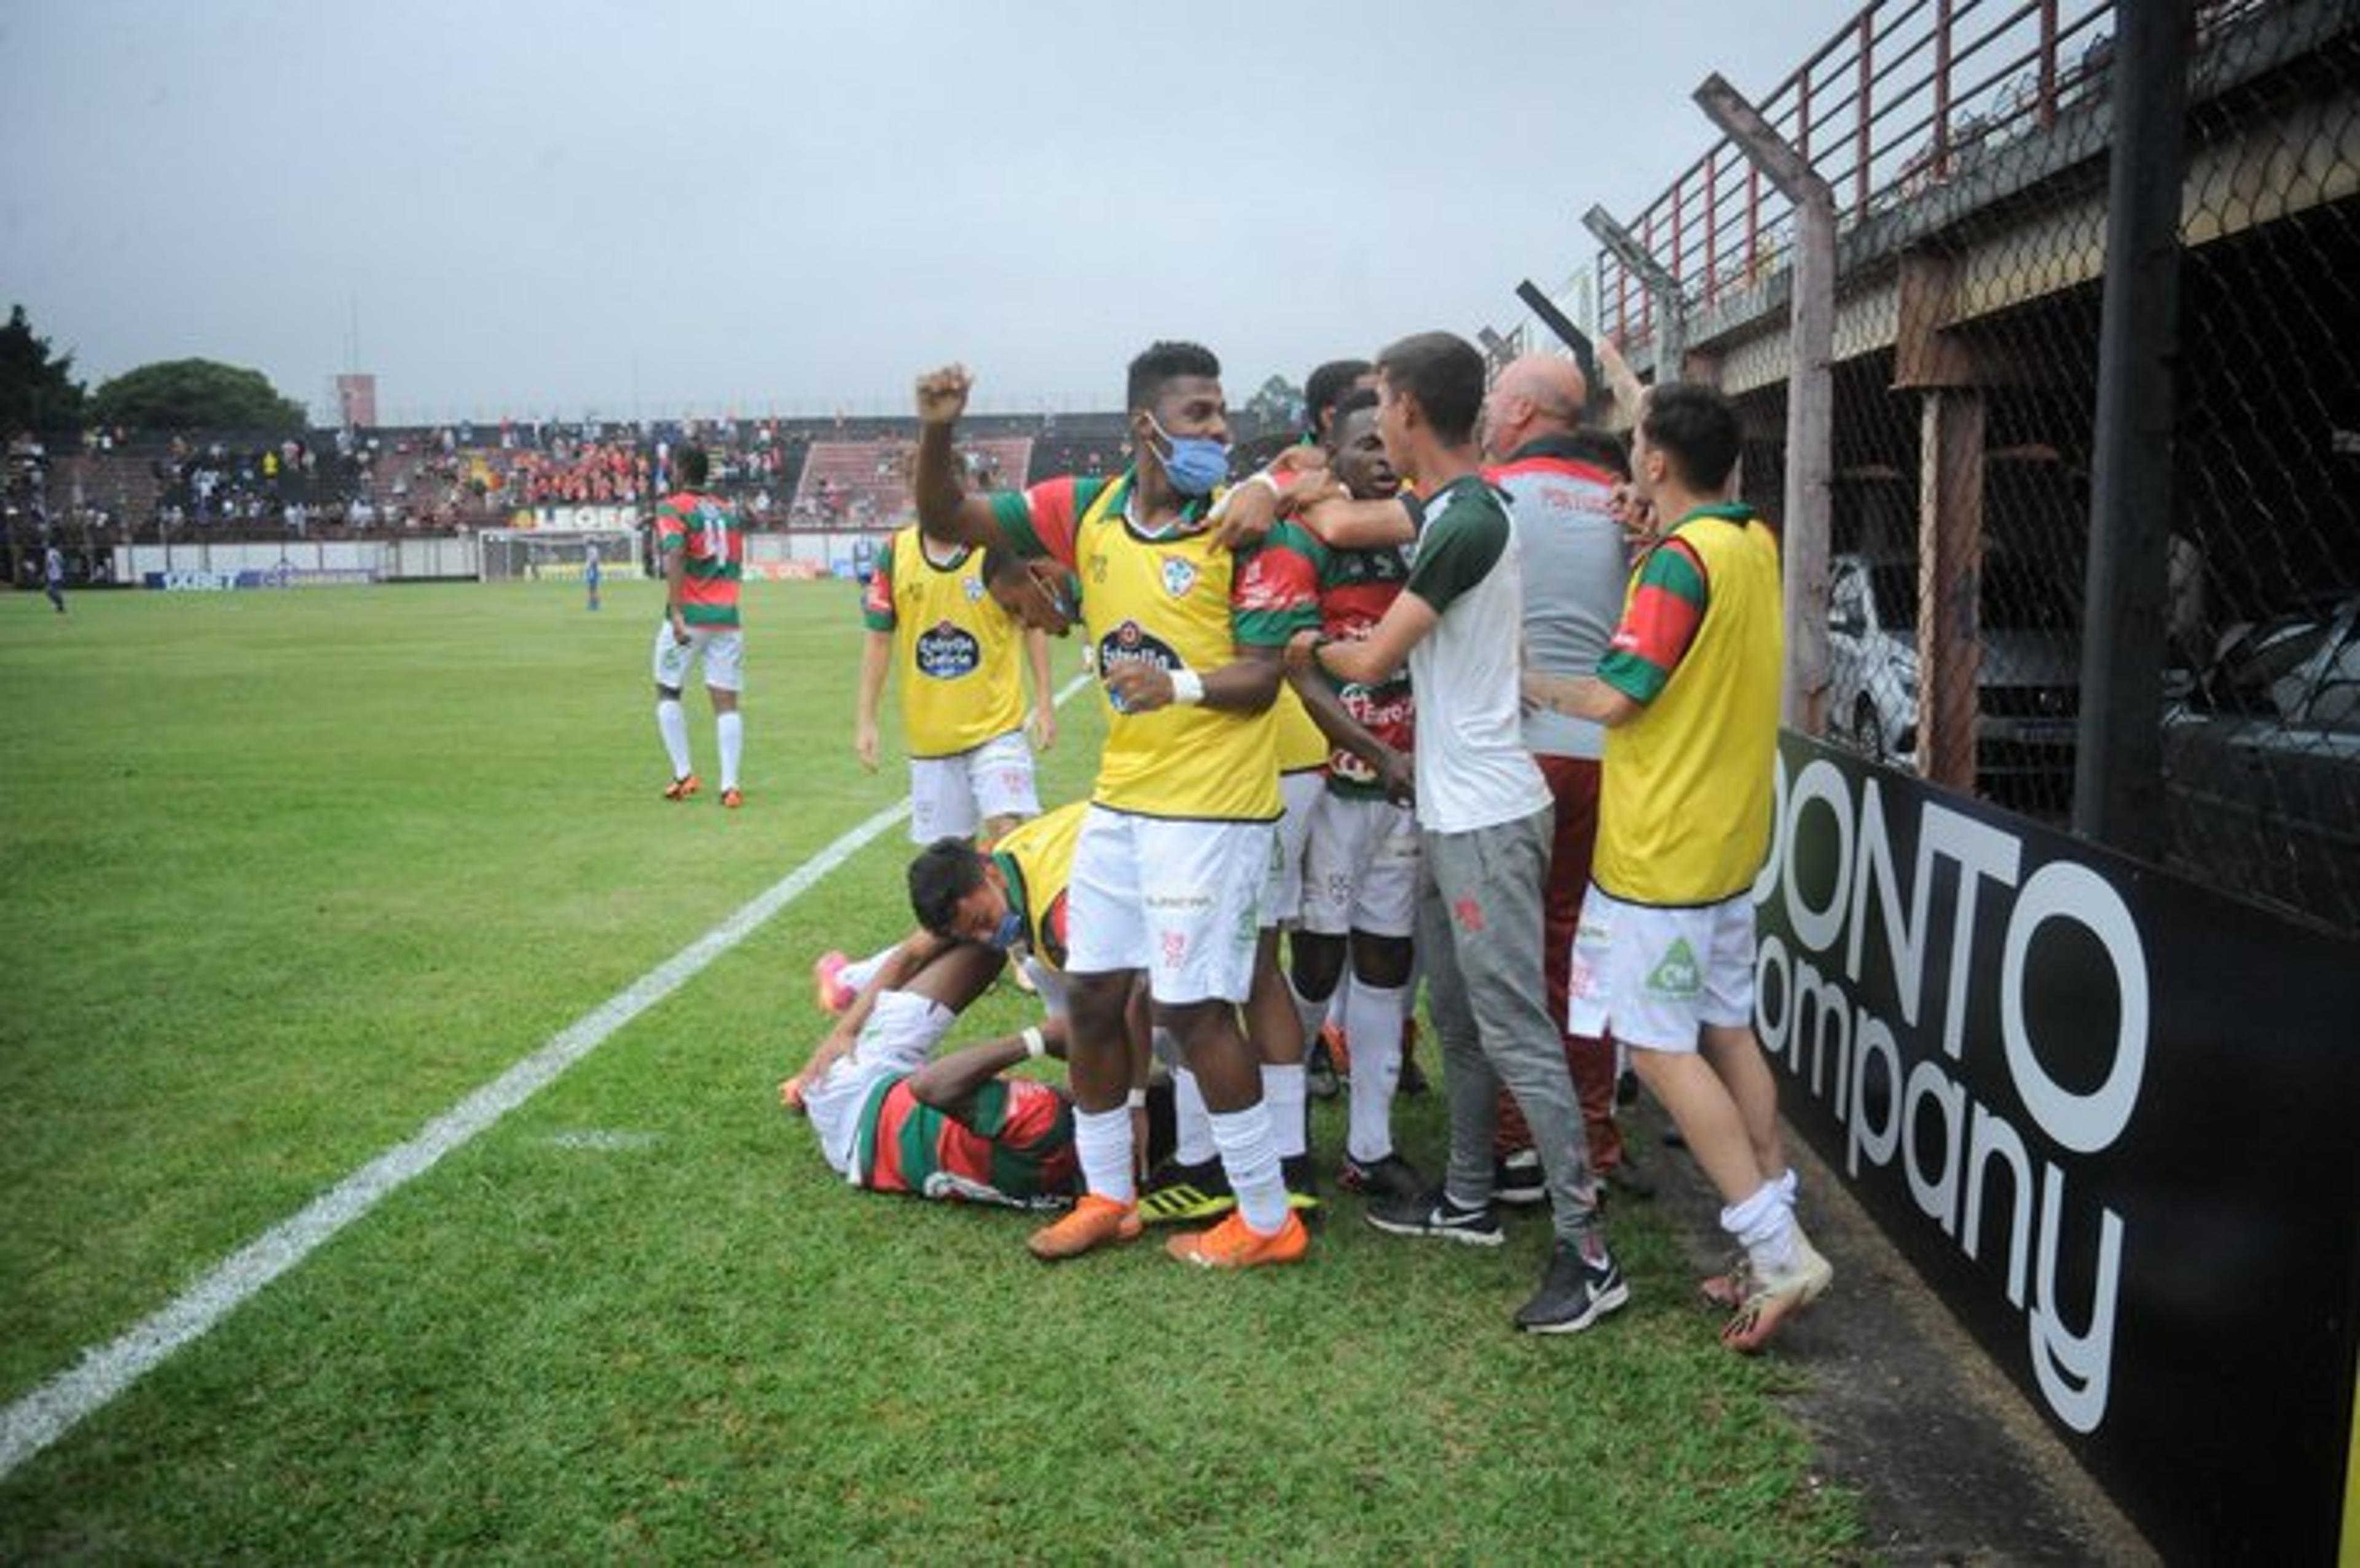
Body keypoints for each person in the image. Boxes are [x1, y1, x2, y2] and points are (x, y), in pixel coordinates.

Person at [910, 344, 1313, 1271]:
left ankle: (1265, 1215)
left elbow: (1261, 678)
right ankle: (1109, 1197)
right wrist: (938, 430)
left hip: (1213, 811)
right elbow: (948, 515)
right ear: (1147, 425)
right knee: (1093, 994)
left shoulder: (1249, 524)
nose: (1222, 430)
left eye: (1224, 415)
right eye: (1203, 413)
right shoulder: (1085, 507)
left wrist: (1170, 688)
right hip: (1123, 806)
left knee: (1191, 1008)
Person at [1289, 332, 1624, 1335]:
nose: (1376, 418)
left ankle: (1589, 1255)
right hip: (1449, 806)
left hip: (1486, 813)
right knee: (1466, 1024)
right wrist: (1293, 486)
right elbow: (1344, 511)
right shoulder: (1448, 507)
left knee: (1519, 1032)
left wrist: (1298, 647)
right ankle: (1470, 1199)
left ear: (1407, 411)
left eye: (1381, 400)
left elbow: (1369, 660)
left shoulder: (1471, 517)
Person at [1523, 382, 1834, 1352]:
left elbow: (1616, 701)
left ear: (1656, 462)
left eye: (1636, 455)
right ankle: (1775, 1229)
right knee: (1728, 1030)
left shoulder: (1675, 565)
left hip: (1660, 850)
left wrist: (1517, 675)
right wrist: (1649, 523)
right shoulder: (1750, 541)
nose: (1626, 468)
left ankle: (1779, 1253)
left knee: (1657, 1048)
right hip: (1729, 841)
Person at [1482, 354, 1643, 1202]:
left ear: (1520, 410)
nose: (1485, 412)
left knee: (1515, 955)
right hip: (1613, 753)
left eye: (1491, 399)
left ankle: (1523, 1147)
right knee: (1587, 950)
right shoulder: (1631, 504)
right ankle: (1595, 1135)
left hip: (1523, 748)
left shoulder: (1492, 491)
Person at [1262, 390, 1424, 1204]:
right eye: (1363, 446)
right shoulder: (1305, 539)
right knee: (1318, 964)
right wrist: (1373, 751)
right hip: (1334, 787)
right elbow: (1296, 668)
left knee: (1388, 961)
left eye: (1387, 442)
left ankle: (1371, 1145)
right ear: (1332, 451)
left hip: (1402, 790)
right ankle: (1287, 1139)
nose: (1381, 458)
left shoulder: (1422, 529)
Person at [856, 528, 1055, 847]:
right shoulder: (896, 552)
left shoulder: (994, 545)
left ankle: (1013, 897)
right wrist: (867, 721)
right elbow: (879, 639)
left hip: (997, 728)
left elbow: (1032, 624)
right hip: (932, 739)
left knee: (1009, 837)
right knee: (951, 857)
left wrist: (1045, 701)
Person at [650, 444, 747, 808]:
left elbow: (675, 552)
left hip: (688, 617)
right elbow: (735, 560)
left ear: (680, 469)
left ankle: (684, 774)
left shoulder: (672, 507)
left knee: (668, 691)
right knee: (726, 703)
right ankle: (730, 787)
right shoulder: (728, 512)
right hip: (726, 618)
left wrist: (676, 610)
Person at [42, 542, 66, 614]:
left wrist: (45, 573)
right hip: (58, 575)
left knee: (48, 591)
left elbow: (48, 564)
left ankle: (59, 605)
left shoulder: (50, 553)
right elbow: (62, 563)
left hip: (54, 576)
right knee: (55, 591)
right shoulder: (57, 553)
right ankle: (59, 606)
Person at [584, 541, 602, 611]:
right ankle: (594, 604)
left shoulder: (591, 550)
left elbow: (594, 560)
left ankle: (594, 604)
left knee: (592, 588)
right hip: (593, 569)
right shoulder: (594, 550)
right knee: (593, 588)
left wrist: (590, 569)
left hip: (592, 569)